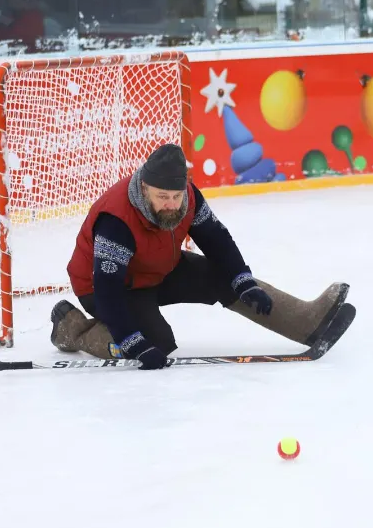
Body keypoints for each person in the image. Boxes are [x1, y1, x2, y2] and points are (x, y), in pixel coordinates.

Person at [50, 143, 349, 370]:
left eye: (175, 197)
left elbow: (216, 239)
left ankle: (307, 322)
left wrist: (243, 282)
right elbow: (107, 290)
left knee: (227, 278)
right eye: (162, 197)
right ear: (144, 187)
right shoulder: (117, 221)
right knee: (155, 343)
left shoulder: (188, 197)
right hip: (107, 288)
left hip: (157, 269)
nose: (170, 205)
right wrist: (131, 341)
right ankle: (74, 330)